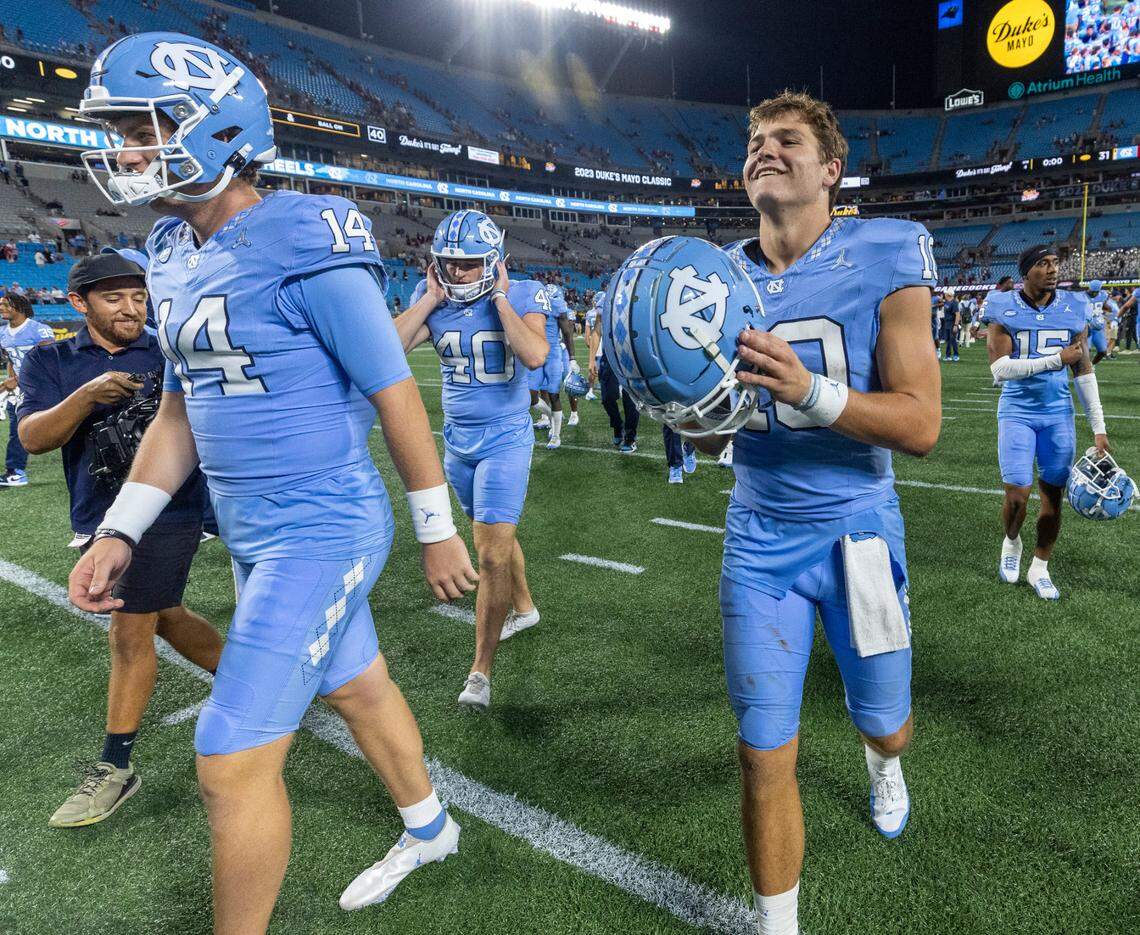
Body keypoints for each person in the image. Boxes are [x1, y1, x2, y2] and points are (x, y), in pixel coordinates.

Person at [70, 32, 475, 931]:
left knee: (228, 754)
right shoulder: (169, 246)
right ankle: (430, 825)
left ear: (215, 128)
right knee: (357, 681)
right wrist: (121, 528)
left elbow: (392, 387)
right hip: (252, 527)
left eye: (144, 128)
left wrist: (436, 523)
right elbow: (178, 413)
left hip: (323, 523)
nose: (126, 151)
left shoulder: (304, 230)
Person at [618, 91, 942, 934]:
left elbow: (921, 424)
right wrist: (681, 406)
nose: (765, 148)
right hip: (759, 540)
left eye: (786, 140)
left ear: (831, 169)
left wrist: (811, 390)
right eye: (756, 140)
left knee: (891, 725)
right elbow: (720, 436)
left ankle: (882, 763)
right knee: (763, 751)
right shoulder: (715, 278)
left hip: (859, 531)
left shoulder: (886, 250)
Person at [18, 252, 221, 827]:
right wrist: (85, 397)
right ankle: (250, 684)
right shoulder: (51, 358)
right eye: (114, 298)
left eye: (138, 296)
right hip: (95, 511)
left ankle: (115, 767)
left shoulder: (167, 349)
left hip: (168, 510)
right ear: (80, 303)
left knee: (129, 630)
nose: (131, 308)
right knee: (164, 614)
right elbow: (33, 438)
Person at [396, 209, 547, 711]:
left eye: (467, 264)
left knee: (489, 553)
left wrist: (501, 298)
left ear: (493, 262)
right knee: (493, 536)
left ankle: (479, 672)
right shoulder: (432, 296)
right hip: (457, 442)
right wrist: (431, 299)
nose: (456, 272)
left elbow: (535, 355)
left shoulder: (522, 293)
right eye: (447, 263)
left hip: (506, 437)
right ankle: (523, 608)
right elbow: (385, 350)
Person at [982, 246, 1108, 600]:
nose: (1052, 270)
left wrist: (1099, 428)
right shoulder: (1003, 306)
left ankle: (1040, 567)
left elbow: (1083, 371)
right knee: (1017, 496)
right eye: (1042, 264)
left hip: (1057, 415)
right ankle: (1011, 543)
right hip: (1017, 411)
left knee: (1053, 497)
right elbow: (1000, 370)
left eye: (1054, 264)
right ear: (1026, 272)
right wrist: (1055, 360)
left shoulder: (1075, 306)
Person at [1, 293, 56, 486]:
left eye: (6, 305)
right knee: (17, 427)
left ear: (19, 307)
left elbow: (51, 363)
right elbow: (10, 359)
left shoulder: (40, 330)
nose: (1, 308)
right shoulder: (2, 332)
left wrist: (25, 380)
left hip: (43, 386)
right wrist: (12, 379)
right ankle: (15, 472)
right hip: (21, 388)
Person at [528, 276, 575, 449]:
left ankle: (556, 435)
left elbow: (568, 333)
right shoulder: (533, 305)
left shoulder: (557, 306)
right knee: (530, 396)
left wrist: (572, 359)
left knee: (554, 394)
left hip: (553, 353)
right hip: (536, 351)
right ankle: (551, 415)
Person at [940, 290, 960, 361]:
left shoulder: (954, 303)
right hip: (947, 323)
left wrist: (955, 325)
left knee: (953, 339)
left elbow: (957, 314)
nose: (944, 294)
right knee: (948, 340)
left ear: (948, 294)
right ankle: (948, 355)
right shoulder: (946, 302)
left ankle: (956, 355)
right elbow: (940, 301)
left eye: (945, 293)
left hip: (952, 323)